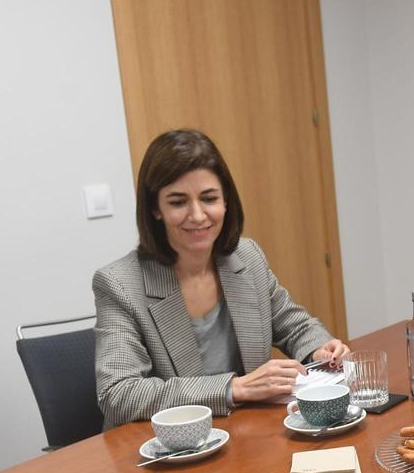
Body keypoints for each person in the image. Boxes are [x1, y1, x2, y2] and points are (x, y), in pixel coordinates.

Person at [93, 129, 350, 429]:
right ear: (155, 209)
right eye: (178, 202)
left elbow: (294, 324)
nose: (198, 215)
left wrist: (319, 349)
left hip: (246, 437)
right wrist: (233, 388)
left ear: (226, 201)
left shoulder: (247, 257)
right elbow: (118, 394)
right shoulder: (119, 284)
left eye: (209, 198)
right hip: (168, 451)